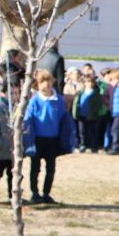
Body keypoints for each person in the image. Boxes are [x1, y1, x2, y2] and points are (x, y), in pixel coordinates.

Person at [25, 70, 75, 202]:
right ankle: (34, 193)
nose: (46, 84)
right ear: (38, 84)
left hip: (53, 139)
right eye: (43, 82)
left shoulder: (58, 99)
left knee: (51, 168)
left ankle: (46, 193)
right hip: (37, 139)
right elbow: (28, 118)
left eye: (48, 81)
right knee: (35, 168)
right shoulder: (34, 100)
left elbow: (64, 119)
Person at [0, 68, 21, 203]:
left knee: (13, 175)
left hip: (14, 151)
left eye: (17, 93)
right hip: (1, 151)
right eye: (12, 93)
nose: (15, 95)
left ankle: (12, 195)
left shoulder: (19, 109)